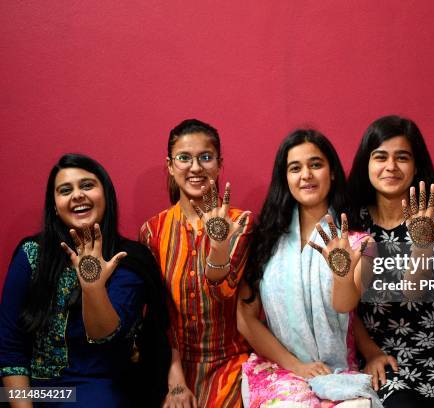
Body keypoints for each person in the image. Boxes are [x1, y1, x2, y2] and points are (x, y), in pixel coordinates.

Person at [0, 153, 170, 407]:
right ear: (55, 206)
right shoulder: (31, 254)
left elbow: (105, 334)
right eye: (65, 190)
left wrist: (93, 287)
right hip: (30, 389)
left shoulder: (128, 258)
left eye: (87, 185)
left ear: (106, 196)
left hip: (94, 387)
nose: (77, 195)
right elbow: (10, 345)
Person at [345, 115, 434, 407]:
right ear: (366, 164)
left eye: (402, 157)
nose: (390, 167)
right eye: (380, 157)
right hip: (380, 354)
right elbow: (345, 308)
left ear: (416, 165)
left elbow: (415, 290)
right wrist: (370, 353)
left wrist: (422, 246)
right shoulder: (353, 225)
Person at [238, 129, 379, 407]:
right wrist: (296, 366)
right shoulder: (266, 238)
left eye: (316, 164)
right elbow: (245, 318)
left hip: (336, 371)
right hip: (278, 370)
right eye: (295, 168)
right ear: (285, 178)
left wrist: (341, 273)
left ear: (333, 172)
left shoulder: (359, 243)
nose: (306, 175)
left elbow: (344, 305)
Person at [140, 119, 251, 407]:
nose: (195, 167)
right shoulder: (152, 231)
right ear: (169, 165)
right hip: (171, 365)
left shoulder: (241, 223)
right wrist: (175, 380)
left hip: (231, 362)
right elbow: (157, 314)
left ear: (219, 163)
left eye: (205, 157)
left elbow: (223, 292)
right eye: (184, 158)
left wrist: (218, 246)